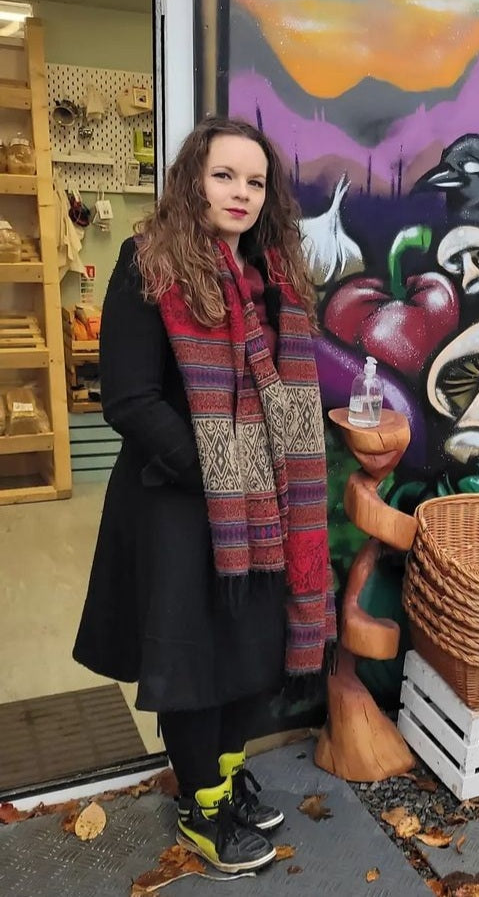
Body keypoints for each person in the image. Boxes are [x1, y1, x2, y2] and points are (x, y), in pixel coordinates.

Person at [74, 117, 337, 874]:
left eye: (255, 182)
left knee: (249, 650)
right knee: (194, 663)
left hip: (262, 506)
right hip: (178, 503)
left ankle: (221, 781)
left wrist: (274, 465)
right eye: (225, 175)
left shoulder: (272, 273)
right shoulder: (146, 262)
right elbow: (128, 400)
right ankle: (199, 805)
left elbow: (283, 388)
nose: (241, 193)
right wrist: (221, 468)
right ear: (194, 178)